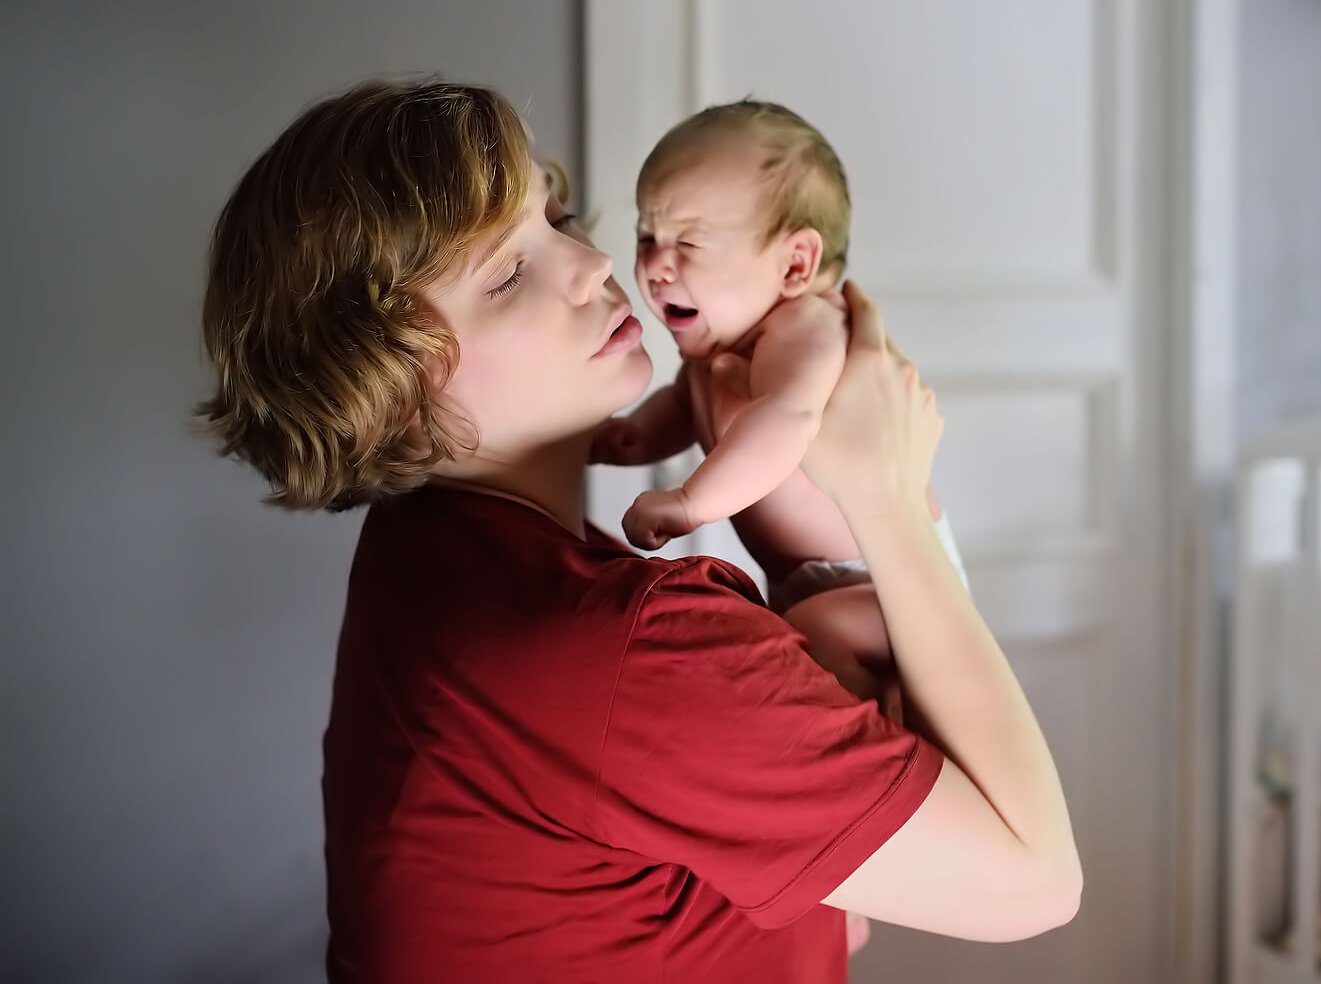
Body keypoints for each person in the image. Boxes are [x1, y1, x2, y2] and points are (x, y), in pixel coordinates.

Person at [198, 78, 1081, 983]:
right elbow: (1037, 880)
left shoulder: (422, 544)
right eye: (506, 273)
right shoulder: (620, 650)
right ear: (386, 394)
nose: (592, 266)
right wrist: (885, 491)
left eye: (561, 219)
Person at [592, 99, 967, 708]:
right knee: (800, 645)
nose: (657, 266)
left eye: (689, 242)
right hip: (816, 586)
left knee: (819, 643)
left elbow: (786, 421)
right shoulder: (710, 358)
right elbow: (681, 411)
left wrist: (689, 505)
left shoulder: (805, 327)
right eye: (646, 236)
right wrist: (624, 438)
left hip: (885, 574)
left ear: (796, 264)